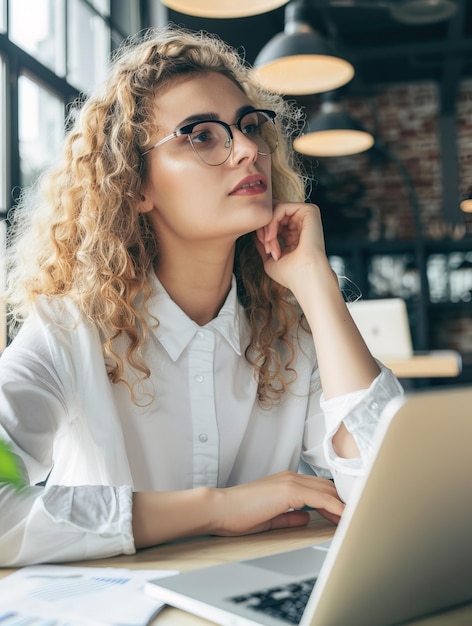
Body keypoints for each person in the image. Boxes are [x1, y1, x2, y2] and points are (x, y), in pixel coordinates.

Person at [0, 26, 403, 566]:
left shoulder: (293, 332)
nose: (248, 150)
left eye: (249, 126)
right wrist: (216, 509)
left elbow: (389, 490)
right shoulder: (67, 330)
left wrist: (316, 284)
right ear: (135, 184)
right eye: (200, 134)